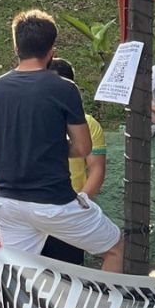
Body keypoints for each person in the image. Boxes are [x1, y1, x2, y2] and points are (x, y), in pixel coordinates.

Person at [0, 10, 123, 272]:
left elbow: (4, 141)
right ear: (52, 50)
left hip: (8, 202)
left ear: (16, 46)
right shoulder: (63, 88)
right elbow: (83, 147)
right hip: (53, 201)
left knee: (18, 275)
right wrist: (55, 148)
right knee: (114, 248)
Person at [41, 58, 107, 266]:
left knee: (68, 275)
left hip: (69, 210)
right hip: (33, 207)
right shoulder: (31, 115)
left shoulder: (88, 123)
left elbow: (96, 168)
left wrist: (81, 203)